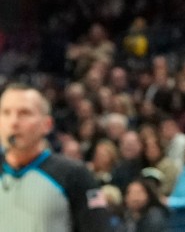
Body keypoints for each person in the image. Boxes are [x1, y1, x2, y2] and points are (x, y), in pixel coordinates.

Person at [0, 84, 111, 232]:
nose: (13, 122)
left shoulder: (75, 174)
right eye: (6, 113)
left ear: (47, 124)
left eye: (24, 113)